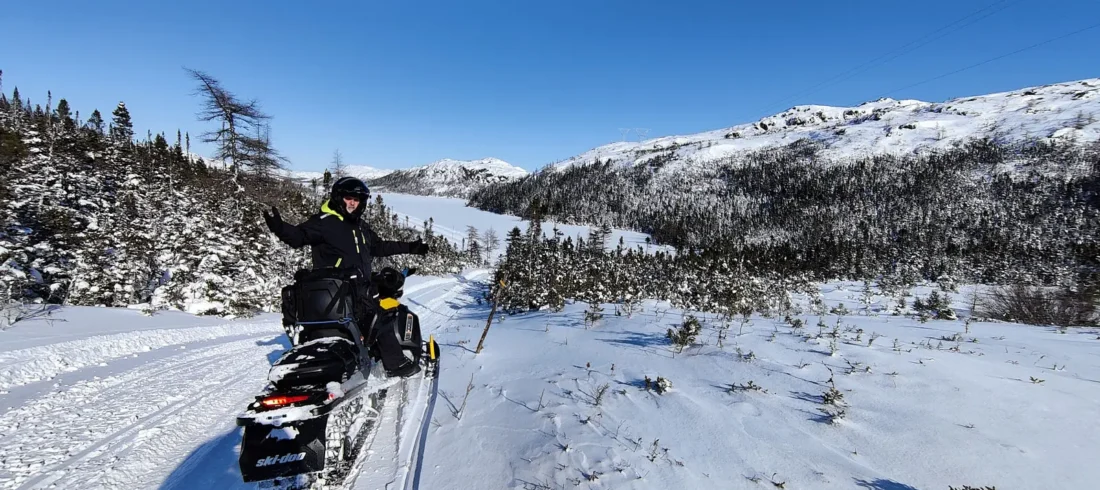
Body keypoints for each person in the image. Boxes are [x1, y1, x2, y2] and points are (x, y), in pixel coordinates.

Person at [262, 176, 430, 377]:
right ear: (338, 198)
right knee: (382, 318)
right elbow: (299, 236)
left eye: (356, 200)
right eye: (348, 198)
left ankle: (368, 355)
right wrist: (280, 228)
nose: (352, 203)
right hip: (340, 292)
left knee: (374, 320)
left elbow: (378, 246)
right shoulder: (325, 222)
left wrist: (410, 247)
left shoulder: (360, 226)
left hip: (360, 289)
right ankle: (396, 365)